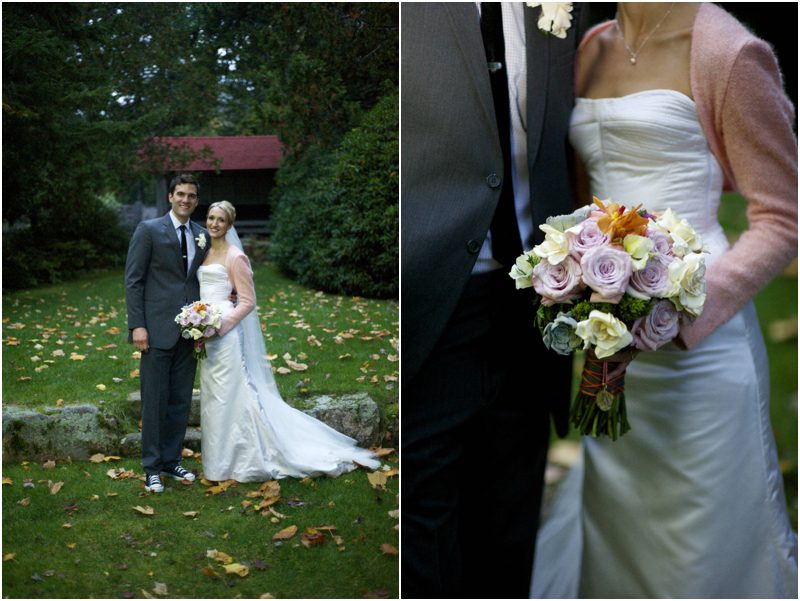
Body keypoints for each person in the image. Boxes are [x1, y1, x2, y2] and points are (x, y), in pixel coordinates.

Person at [534, 3, 797, 597]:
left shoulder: (727, 51)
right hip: (609, 341)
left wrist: (679, 315)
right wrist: (583, 284)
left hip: (700, 346)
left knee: (695, 549)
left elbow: (782, 217)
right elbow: (583, 196)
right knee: (618, 533)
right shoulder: (589, 47)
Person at [401, 3, 593, 597]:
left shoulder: (564, 8)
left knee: (511, 517)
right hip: (432, 300)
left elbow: (571, 140)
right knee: (425, 525)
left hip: (538, 305)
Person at [196, 201, 380, 482]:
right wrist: (196, 325)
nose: (214, 224)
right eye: (210, 218)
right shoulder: (204, 252)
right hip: (204, 336)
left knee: (233, 397)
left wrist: (220, 327)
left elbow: (247, 302)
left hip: (226, 336)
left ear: (229, 225)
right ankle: (218, 462)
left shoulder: (236, 257)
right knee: (214, 399)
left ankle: (246, 457)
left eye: (221, 220)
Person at [125, 173, 208, 493]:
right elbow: (134, 280)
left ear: (196, 201)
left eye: (191, 195)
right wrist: (137, 325)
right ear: (170, 197)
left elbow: (200, 280)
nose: (186, 199)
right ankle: (151, 467)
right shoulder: (148, 231)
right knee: (155, 401)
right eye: (181, 194)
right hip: (156, 330)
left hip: (190, 334)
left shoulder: (202, 235)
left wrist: (206, 321)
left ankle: (172, 460)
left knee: (179, 400)